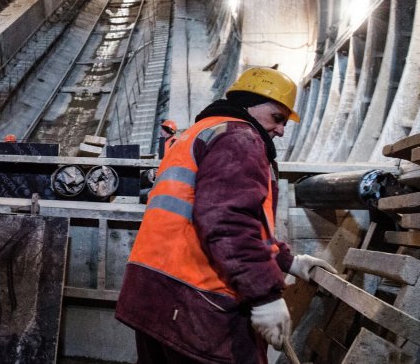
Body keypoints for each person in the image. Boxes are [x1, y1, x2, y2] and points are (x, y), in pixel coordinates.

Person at [116, 67, 337, 363]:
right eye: (277, 118)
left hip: (154, 295)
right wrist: (265, 295)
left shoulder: (198, 134)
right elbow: (228, 222)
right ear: (248, 106)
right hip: (197, 302)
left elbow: (234, 218)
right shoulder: (240, 138)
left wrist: (288, 261)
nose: (281, 130)